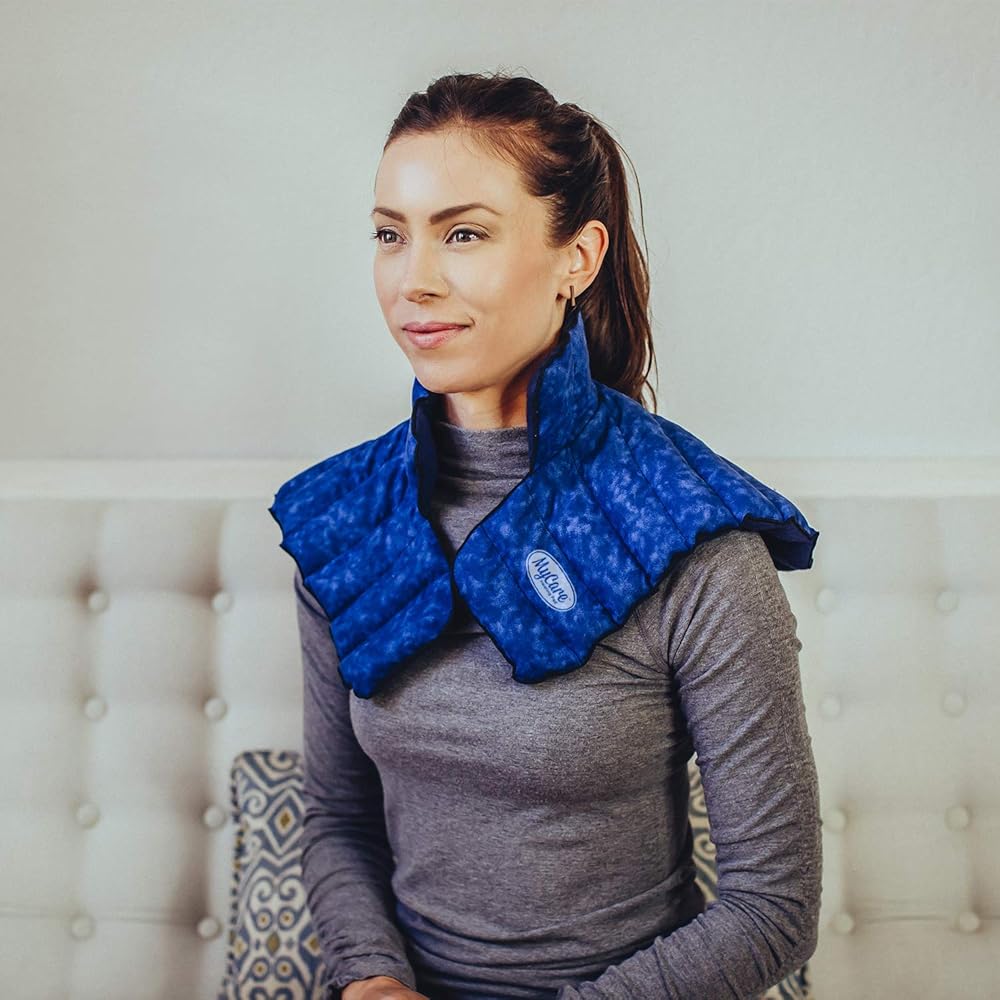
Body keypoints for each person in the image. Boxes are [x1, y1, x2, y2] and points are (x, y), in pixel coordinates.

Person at [270, 72, 822, 1000]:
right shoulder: (345, 523)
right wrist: (371, 981)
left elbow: (773, 909)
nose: (414, 280)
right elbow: (337, 818)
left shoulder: (697, 543)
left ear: (578, 257)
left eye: (464, 234)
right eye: (390, 235)